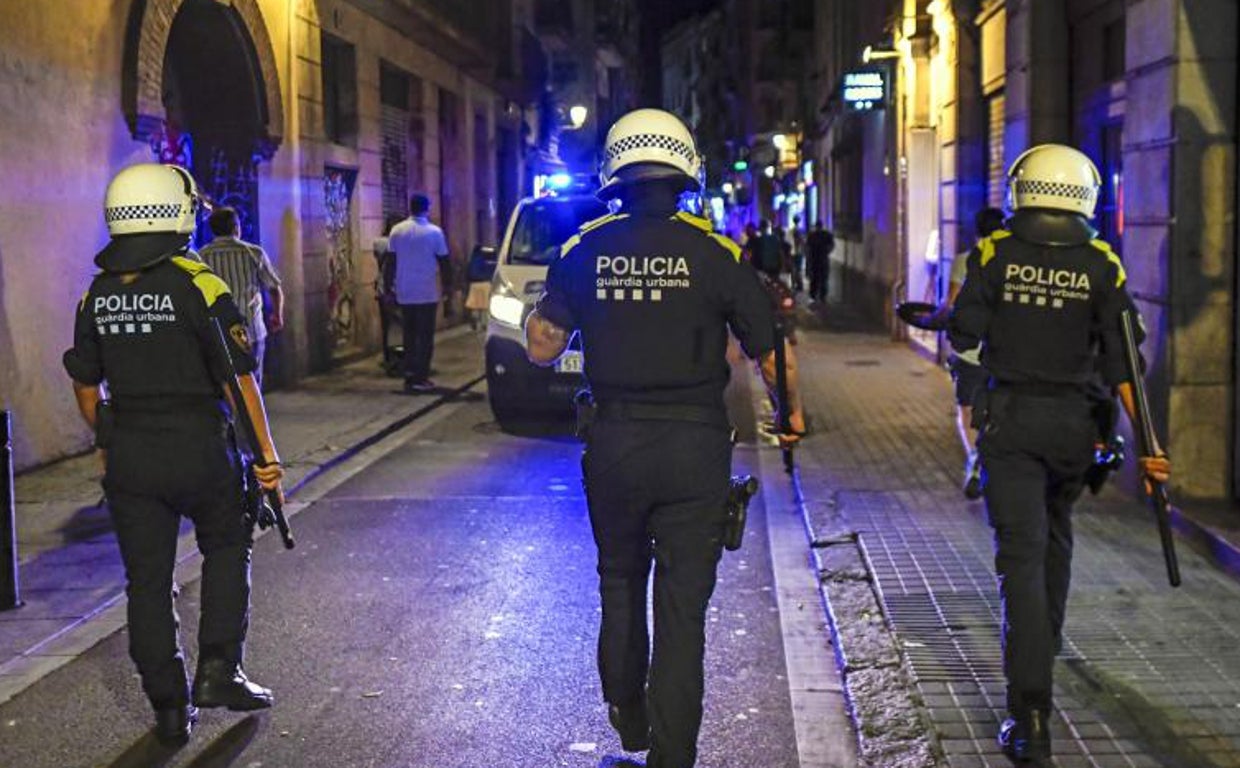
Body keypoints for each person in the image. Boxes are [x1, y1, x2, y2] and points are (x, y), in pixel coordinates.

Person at [523, 108, 801, 768]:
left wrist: (579, 314)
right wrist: (791, 420)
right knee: (682, 615)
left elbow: (539, 347)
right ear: (685, 175)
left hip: (615, 444)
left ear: (614, 176)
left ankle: (626, 709)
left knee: (619, 580)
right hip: (694, 450)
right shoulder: (717, 253)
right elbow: (771, 355)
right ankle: (671, 758)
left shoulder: (582, 249)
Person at [948, 144, 1172, 765]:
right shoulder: (1102, 262)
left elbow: (963, 333)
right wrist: (1151, 448)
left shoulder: (993, 253)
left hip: (1011, 425)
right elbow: (1127, 358)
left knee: (1019, 560)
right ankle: (1041, 650)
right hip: (1074, 430)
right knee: (1056, 538)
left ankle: (1031, 712)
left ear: (1022, 188)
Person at [63, 163, 281, 745]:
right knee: (228, 546)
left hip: (131, 453)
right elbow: (241, 381)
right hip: (199, 447)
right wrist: (267, 460)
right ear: (176, 211)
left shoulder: (96, 293)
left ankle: (167, 706)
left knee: (147, 583)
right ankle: (219, 671)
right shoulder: (199, 282)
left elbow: (87, 388)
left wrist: (112, 435)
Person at [934, 207, 1006, 498]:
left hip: (970, 353)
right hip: (1003, 350)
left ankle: (976, 457)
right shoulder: (1010, 262)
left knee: (966, 408)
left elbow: (950, 303)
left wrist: (933, 318)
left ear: (976, 231)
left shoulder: (965, 261)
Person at [198, 206, 284, 386]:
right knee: (252, 383)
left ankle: (230, 413)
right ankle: (251, 413)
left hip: (216, 333)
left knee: (223, 385)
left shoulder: (201, 257)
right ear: (236, 227)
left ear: (212, 229)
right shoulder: (253, 252)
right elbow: (274, 288)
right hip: (251, 330)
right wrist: (277, 315)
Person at [388, 194, 451, 393]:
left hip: (405, 291)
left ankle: (409, 375)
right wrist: (448, 287)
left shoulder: (397, 231)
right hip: (427, 292)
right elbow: (444, 262)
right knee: (424, 337)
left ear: (410, 208)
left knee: (409, 334)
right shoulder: (435, 233)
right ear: (427, 208)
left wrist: (389, 286)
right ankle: (421, 377)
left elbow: (391, 262)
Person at [806, 221, 834, 303]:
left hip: (815, 260)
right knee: (823, 279)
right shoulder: (826, 235)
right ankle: (822, 296)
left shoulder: (812, 235)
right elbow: (832, 245)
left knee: (815, 279)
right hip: (823, 260)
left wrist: (809, 260)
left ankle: (813, 296)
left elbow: (808, 248)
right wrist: (827, 251)